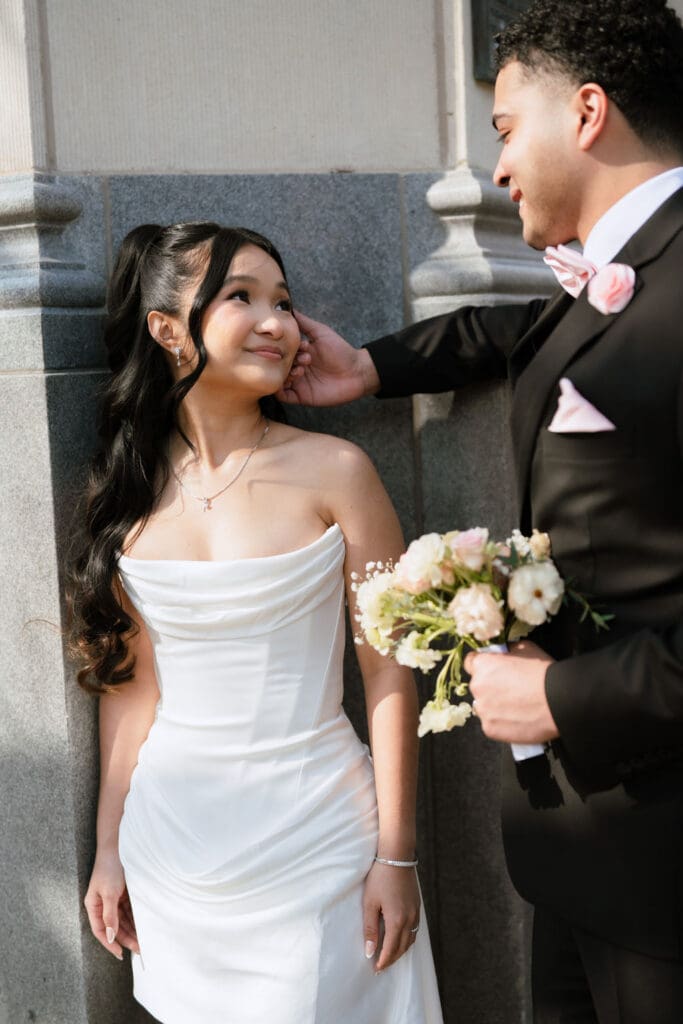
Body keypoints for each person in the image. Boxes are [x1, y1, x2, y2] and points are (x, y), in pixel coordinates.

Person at [280, 1, 683, 1021]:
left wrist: (562, 702)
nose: (495, 167)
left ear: (585, 113)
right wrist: (372, 364)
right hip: (579, 862)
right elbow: (523, 332)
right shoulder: (609, 275)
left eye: (504, 130)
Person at [66, 221, 443, 1024]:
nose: (279, 322)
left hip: (321, 836)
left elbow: (388, 671)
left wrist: (396, 854)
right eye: (241, 297)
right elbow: (130, 694)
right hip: (172, 848)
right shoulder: (126, 494)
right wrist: (107, 850)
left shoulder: (337, 472)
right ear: (167, 330)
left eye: (283, 300)